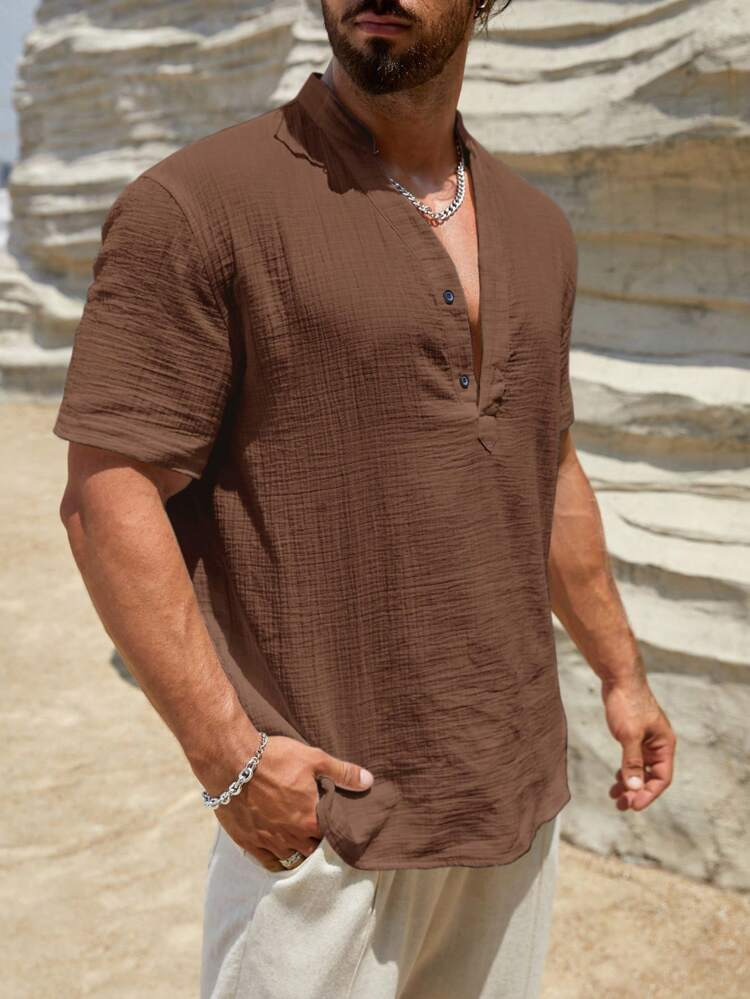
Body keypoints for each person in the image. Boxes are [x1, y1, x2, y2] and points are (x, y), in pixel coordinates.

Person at [54, 1, 677, 996]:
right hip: (325, 822)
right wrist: (230, 760)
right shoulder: (198, 203)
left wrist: (621, 674)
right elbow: (108, 490)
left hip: (512, 794)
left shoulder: (537, 228)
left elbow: (545, 463)